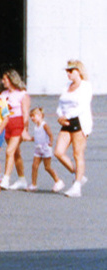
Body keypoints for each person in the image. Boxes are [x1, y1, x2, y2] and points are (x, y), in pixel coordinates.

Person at [54, 59, 93, 198]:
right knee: (58, 152)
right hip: (66, 122)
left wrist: (67, 116)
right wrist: (60, 116)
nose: (68, 74)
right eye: (67, 71)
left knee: (78, 154)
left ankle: (77, 186)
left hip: (79, 122)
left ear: (79, 71)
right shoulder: (66, 86)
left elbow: (82, 106)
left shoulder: (85, 86)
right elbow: (61, 103)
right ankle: (78, 175)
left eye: (71, 71)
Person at [0, 69, 30, 190]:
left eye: (5, 79)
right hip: (7, 124)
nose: (3, 82)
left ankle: (6, 179)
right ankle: (22, 179)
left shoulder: (22, 94)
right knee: (16, 153)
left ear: (12, 80)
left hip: (18, 123)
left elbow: (26, 113)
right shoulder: (3, 94)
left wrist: (25, 129)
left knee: (9, 151)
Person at [27, 106, 62, 193]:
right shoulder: (36, 127)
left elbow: (50, 134)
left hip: (45, 148)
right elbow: (37, 137)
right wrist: (30, 139)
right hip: (38, 149)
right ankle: (33, 184)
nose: (32, 118)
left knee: (47, 167)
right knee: (34, 166)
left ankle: (58, 181)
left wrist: (50, 142)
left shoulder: (44, 125)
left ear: (40, 115)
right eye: (31, 116)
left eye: (33, 116)